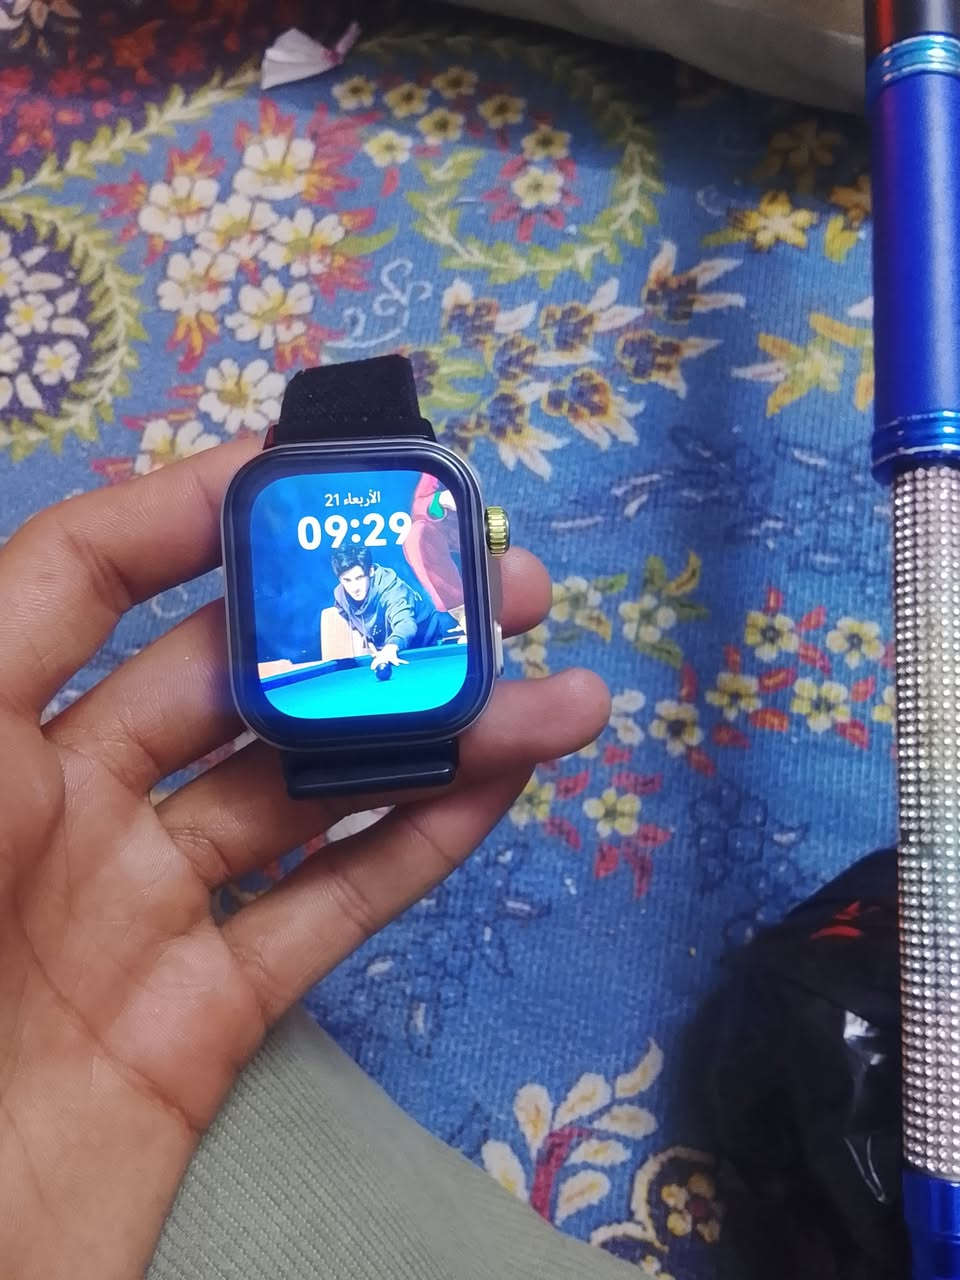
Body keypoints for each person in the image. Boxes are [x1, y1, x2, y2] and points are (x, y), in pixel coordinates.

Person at [0, 437, 628, 1280]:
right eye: (352, 579)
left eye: (362, 576)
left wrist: (389, 644)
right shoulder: (343, 591)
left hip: (420, 673)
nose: (357, 583)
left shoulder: (391, 586)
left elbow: (405, 619)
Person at [330, 544, 449, 669]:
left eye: (359, 578)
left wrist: (391, 647)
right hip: (390, 645)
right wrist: (367, 639)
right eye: (347, 580)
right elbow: (347, 615)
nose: (354, 588)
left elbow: (405, 623)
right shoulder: (340, 595)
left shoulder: (392, 589)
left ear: (371, 571)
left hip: (425, 639)